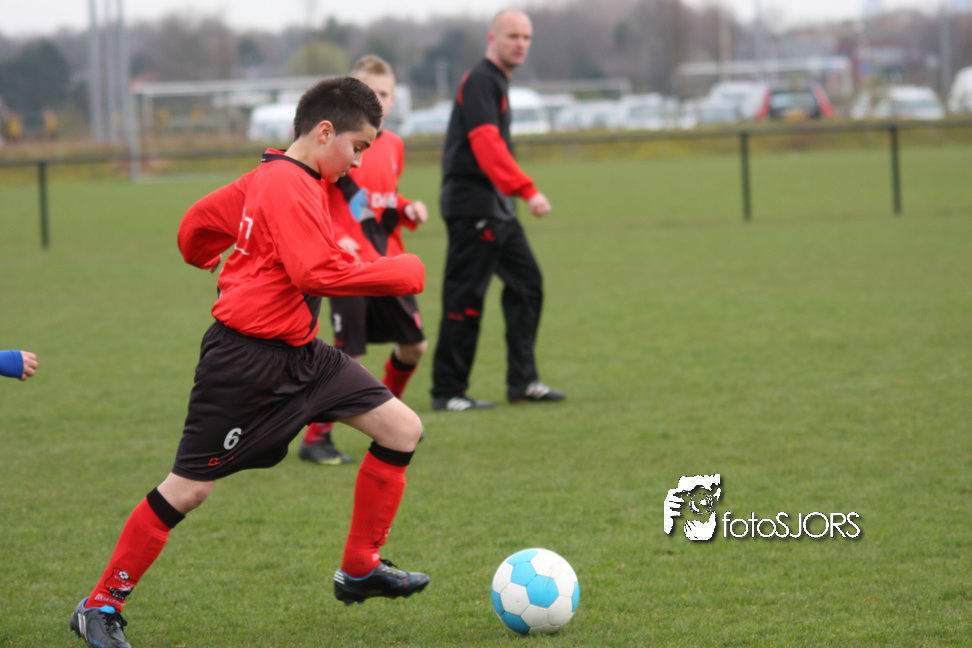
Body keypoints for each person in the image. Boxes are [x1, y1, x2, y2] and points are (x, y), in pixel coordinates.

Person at [69, 76, 429, 648]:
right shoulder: (287, 182)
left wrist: (209, 255)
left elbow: (195, 224)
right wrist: (403, 271)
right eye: (358, 147)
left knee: (401, 428)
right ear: (325, 131)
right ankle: (100, 604)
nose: (359, 162)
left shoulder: (274, 174)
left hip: (304, 355)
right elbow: (316, 273)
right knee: (188, 489)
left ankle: (360, 566)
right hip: (244, 362)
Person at [431, 9, 566, 412]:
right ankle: (448, 391)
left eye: (526, 37)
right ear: (492, 39)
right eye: (512, 36)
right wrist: (526, 189)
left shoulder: (496, 82)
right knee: (465, 298)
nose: (520, 44)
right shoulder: (481, 80)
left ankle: (523, 382)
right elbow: (487, 144)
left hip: (497, 208)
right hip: (473, 206)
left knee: (528, 286)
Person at [299, 55, 429, 465]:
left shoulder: (394, 146)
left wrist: (406, 208)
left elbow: (376, 202)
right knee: (348, 356)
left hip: (388, 261)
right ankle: (314, 439)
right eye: (371, 93)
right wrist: (334, 238)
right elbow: (316, 196)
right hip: (349, 266)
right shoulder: (336, 144)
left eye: (385, 93)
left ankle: (393, 417)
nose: (379, 100)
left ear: (394, 98)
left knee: (414, 346)